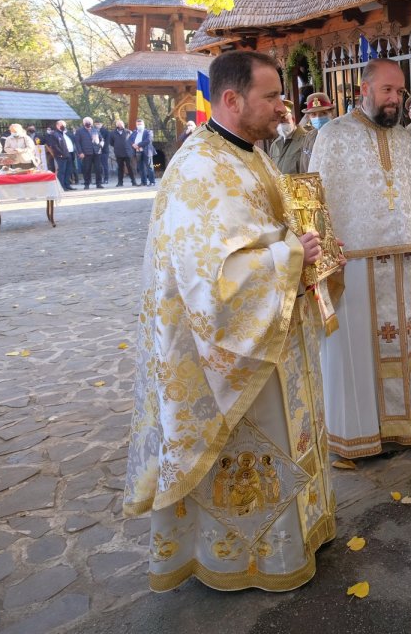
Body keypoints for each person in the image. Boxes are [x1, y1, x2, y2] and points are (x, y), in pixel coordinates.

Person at [123, 50, 337, 592]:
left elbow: (270, 228)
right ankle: (246, 558)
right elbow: (209, 278)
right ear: (231, 99)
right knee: (254, 446)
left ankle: (301, 531)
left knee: (289, 437)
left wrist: (313, 249)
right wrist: (292, 255)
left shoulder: (252, 154)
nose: (281, 106)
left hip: (273, 330)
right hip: (229, 349)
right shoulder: (199, 167)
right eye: (271, 96)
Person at [309, 58, 411, 459]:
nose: (395, 99)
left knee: (404, 342)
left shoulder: (404, 139)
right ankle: (358, 435)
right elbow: (319, 206)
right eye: (388, 90)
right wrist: (324, 263)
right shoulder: (334, 137)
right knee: (356, 350)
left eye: (400, 92)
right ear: (365, 90)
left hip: (400, 265)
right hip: (353, 266)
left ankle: (404, 423)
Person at [260, 101, 314, 174]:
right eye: (277, 121)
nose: (281, 124)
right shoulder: (274, 145)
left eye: (284, 119)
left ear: (293, 119)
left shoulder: (306, 140)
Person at [298, 92, 334, 172]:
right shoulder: (308, 137)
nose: (318, 118)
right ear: (309, 117)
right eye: (313, 114)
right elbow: (303, 169)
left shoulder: (339, 135)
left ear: (331, 113)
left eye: (323, 113)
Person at [73, 117, 104, 189]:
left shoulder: (95, 130)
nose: (88, 123)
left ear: (92, 123)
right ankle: (87, 184)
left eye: (89, 121)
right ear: (84, 123)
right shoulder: (79, 131)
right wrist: (80, 152)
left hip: (97, 152)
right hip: (86, 153)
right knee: (87, 169)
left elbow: (101, 139)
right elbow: (77, 143)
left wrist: (101, 144)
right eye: (86, 122)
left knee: (98, 169)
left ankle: (98, 183)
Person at [46, 120, 75, 190]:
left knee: (68, 171)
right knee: (62, 171)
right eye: (62, 125)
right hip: (61, 156)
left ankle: (67, 185)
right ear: (57, 126)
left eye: (64, 125)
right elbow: (54, 146)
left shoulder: (63, 133)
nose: (63, 126)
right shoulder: (54, 134)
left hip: (68, 154)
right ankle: (61, 186)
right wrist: (60, 154)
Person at [109, 119, 138, 186]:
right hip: (118, 153)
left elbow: (133, 141)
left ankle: (133, 181)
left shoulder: (128, 132)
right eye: (119, 125)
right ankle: (120, 182)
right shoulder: (112, 133)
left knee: (130, 167)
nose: (121, 126)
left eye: (122, 125)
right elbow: (111, 143)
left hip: (127, 152)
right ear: (116, 125)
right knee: (120, 168)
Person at [130, 119, 156, 186]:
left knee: (149, 167)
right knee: (141, 167)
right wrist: (133, 144)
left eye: (140, 124)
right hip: (138, 152)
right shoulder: (134, 132)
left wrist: (138, 145)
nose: (139, 125)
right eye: (138, 124)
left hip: (147, 151)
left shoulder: (148, 132)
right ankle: (143, 182)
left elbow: (148, 140)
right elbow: (130, 140)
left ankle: (152, 182)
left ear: (143, 124)